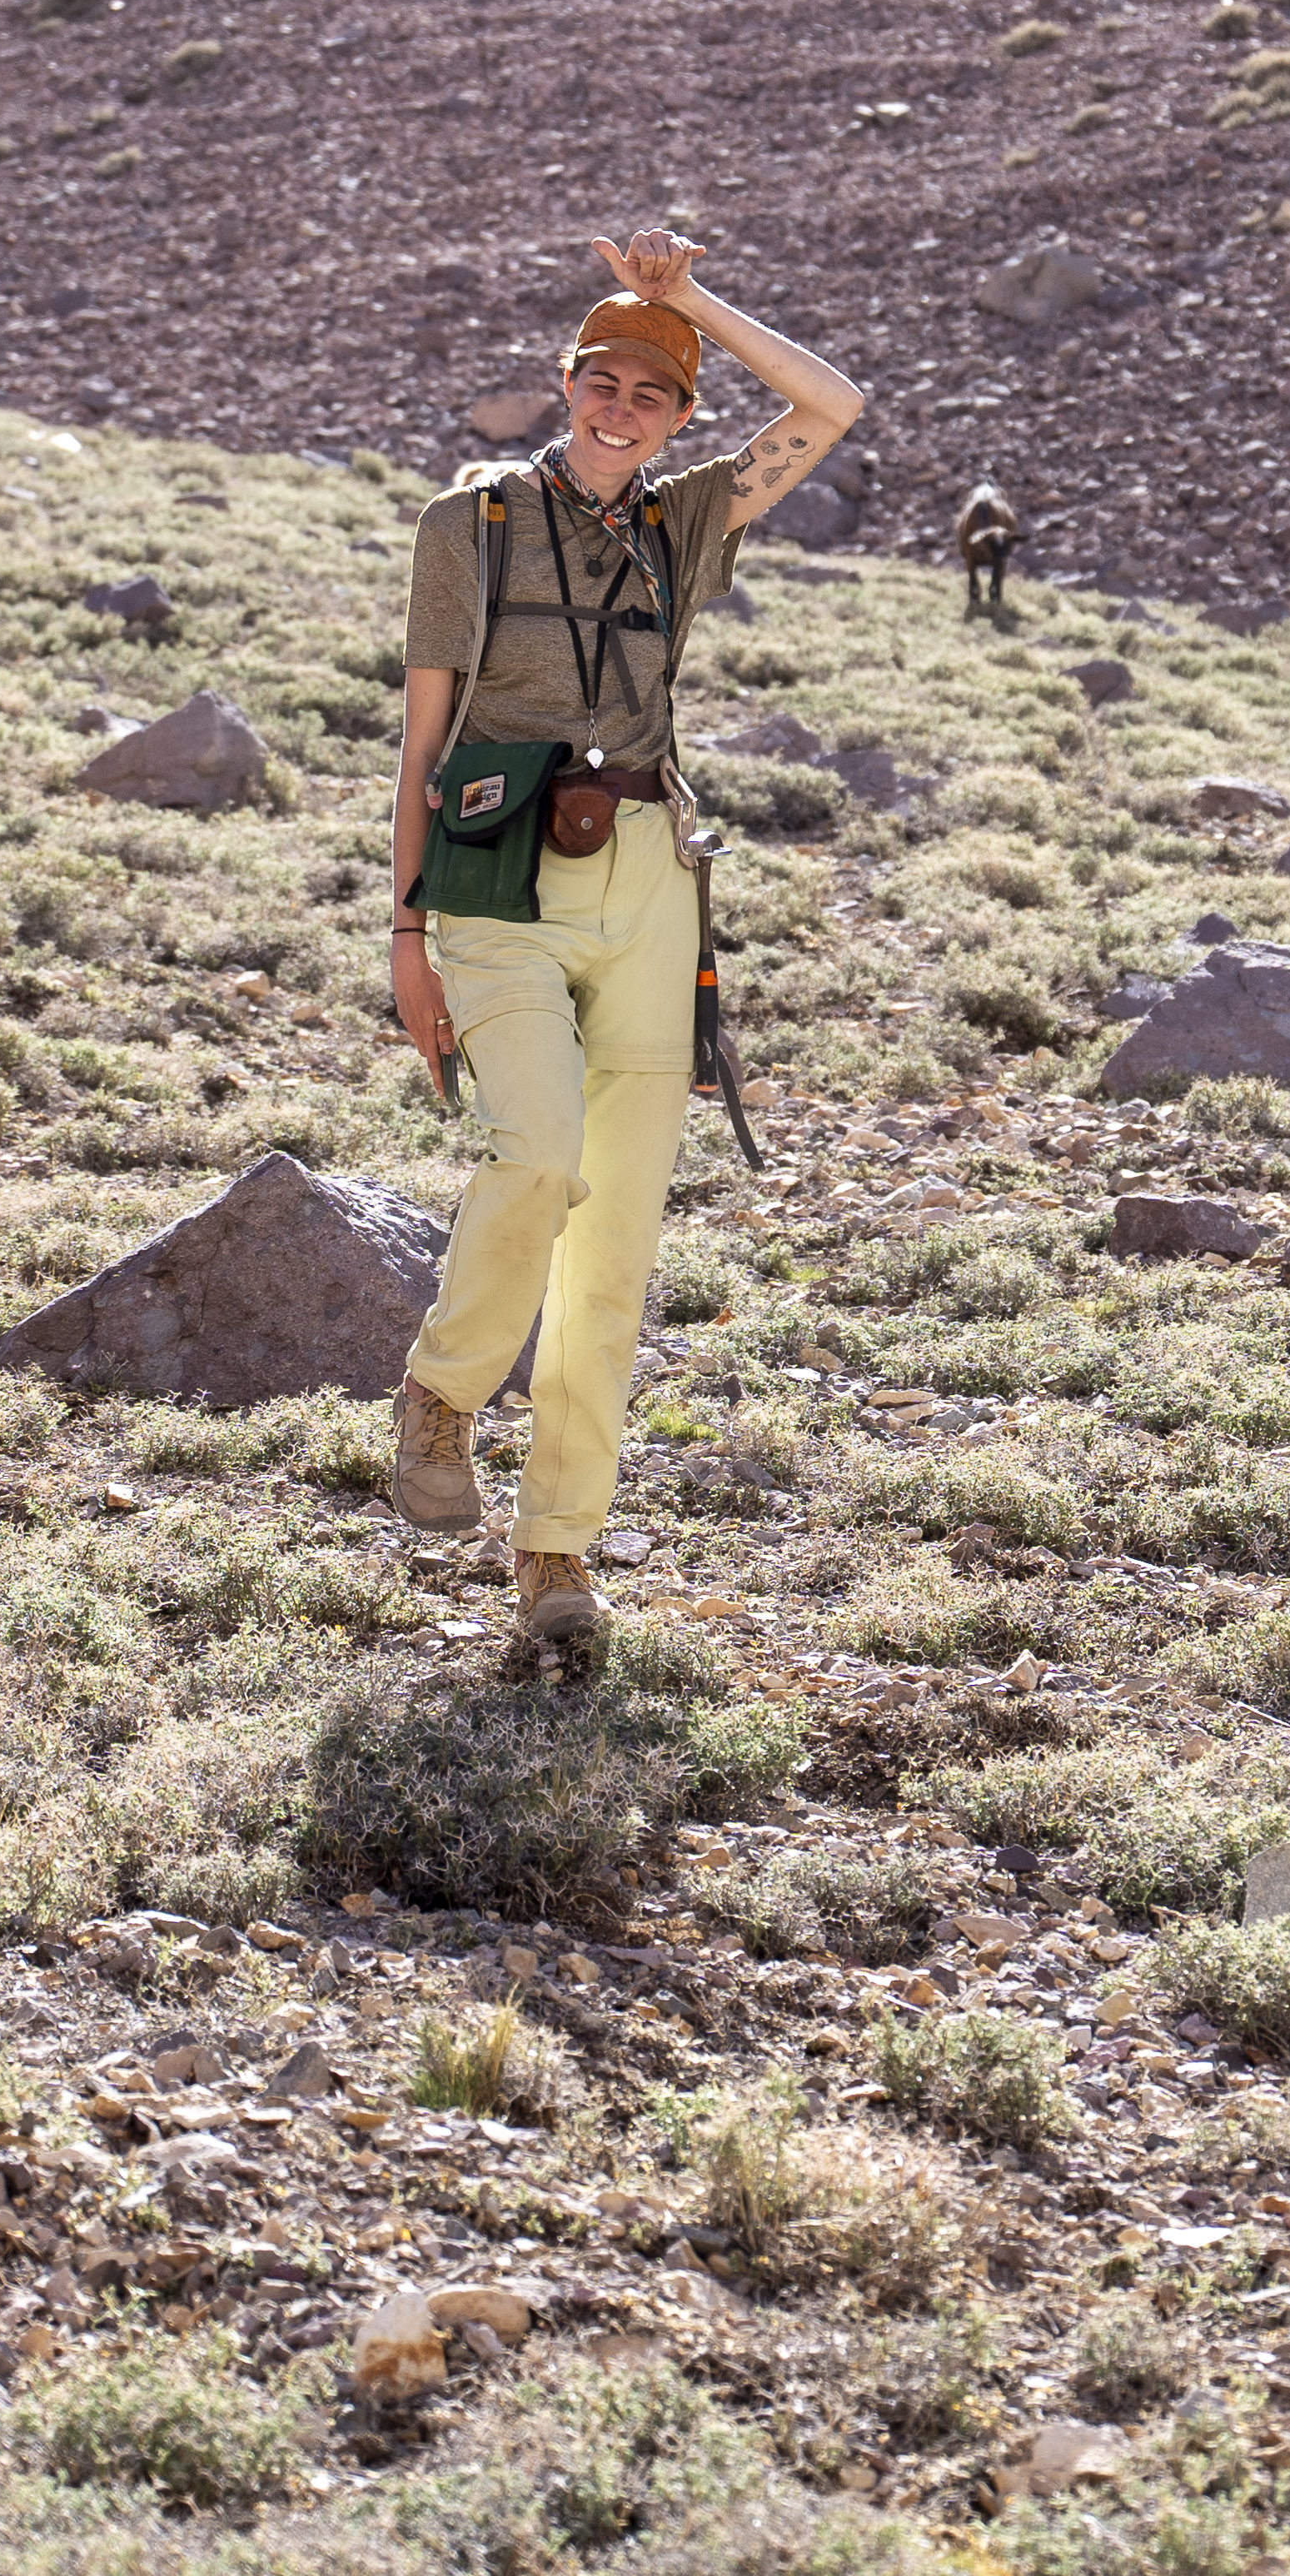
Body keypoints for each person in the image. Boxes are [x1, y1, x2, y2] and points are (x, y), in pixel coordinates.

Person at [385, 230, 861, 1670]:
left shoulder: (688, 524)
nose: (621, 407)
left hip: (651, 875)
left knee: (613, 1253)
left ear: (679, 420)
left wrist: (688, 302)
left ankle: (556, 1560)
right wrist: (405, 932)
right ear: (564, 384)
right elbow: (420, 738)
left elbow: (832, 404)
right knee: (534, 1156)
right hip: (496, 877)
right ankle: (442, 1396)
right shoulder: (465, 529)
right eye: (602, 379)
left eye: (653, 392)